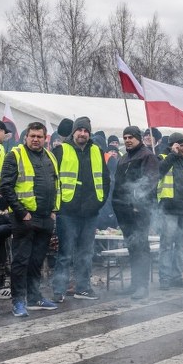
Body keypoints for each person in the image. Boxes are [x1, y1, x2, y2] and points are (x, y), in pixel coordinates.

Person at [0, 122, 60, 317]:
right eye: (32, 136)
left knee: (37, 261)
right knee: (20, 262)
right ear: (25, 137)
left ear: (45, 138)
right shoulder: (14, 156)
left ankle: (34, 298)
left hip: (45, 217)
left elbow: (56, 184)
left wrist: (54, 210)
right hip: (25, 219)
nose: (35, 139)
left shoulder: (50, 156)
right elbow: (6, 187)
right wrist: (21, 212)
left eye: (39, 136)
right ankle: (18, 301)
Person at [51, 116, 110, 303]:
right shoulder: (60, 150)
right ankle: (59, 290)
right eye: (80, 130)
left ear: (89, 133)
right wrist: (57, 207)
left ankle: (83, 288)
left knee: (86, 253)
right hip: (67, 212)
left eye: (86, 130)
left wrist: (99, 202)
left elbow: (105, 179)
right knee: (65, 253)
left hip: (90, 213)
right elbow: (52, 180)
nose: (83, 133)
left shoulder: (97, 151)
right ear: (73, 132)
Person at [113, 126, 160, 299]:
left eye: (131, 137)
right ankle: (134, 283)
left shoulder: (147, 156)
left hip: (139, 210)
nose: (127, 140)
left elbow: (149, 182)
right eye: (125, 137)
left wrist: (137, 203)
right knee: (132, 247)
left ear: (138, 138)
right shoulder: (124, 157)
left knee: (141, 247)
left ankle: (142, 286)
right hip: (123, 209)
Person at [155, 132, 183, 290]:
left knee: (182, 245)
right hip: (169, 209)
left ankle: (177, 276)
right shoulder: (162, 157)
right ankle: (165, 278)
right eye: (181, 145)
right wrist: (172, 155)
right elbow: (158, 173)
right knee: (167, 244)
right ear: (173, 145)